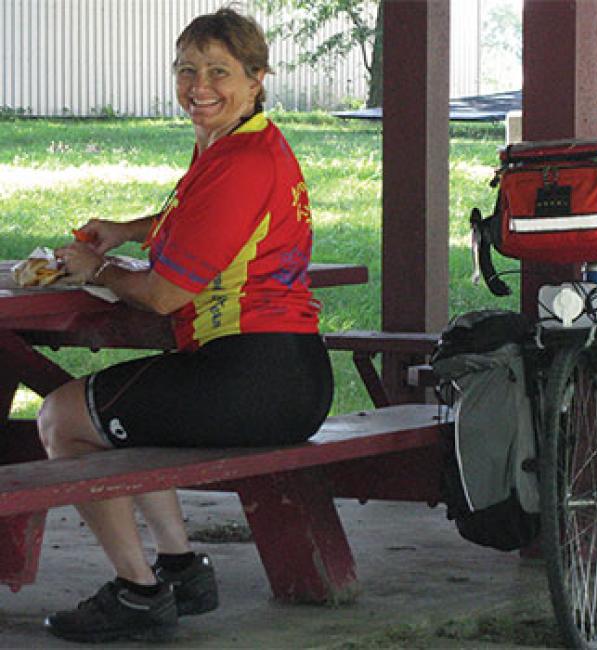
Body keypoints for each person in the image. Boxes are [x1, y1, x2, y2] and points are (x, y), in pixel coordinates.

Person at [39, 7, 333, 643]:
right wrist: (124, 232)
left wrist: (97, 270)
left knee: (63, 419)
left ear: (258, 79)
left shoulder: (240, 162)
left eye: (219, 72)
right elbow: (199, 221)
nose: (200, 86)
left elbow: (166, 294)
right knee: (126, 414)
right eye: (187, 70)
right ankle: (179, 569)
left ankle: (138, 593)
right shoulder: (239, 144)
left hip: (249, 376)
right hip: (282, 372)